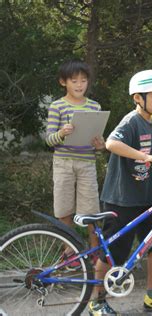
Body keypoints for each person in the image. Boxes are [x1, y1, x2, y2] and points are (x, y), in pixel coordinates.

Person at [88, 70, 152, 315]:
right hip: (122, 197)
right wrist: (145, 157)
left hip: (147, 194)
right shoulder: (132, 120)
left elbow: (150, 142)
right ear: (138, 98)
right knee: (114, 250)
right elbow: (112, 143)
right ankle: (96, 301)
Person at [45, 60, 103, 264]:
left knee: (92, 210)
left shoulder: (95, 106)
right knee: (64, 209)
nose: (80, 85)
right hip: (63, 162)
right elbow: (49, 139)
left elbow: (99, 142)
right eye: (74, 80)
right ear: (63, 82)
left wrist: (100, 144)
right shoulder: (56, 106)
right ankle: (69, 253)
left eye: (84, 80)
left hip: (87, 162)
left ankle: (95, 253)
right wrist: (61, 133)